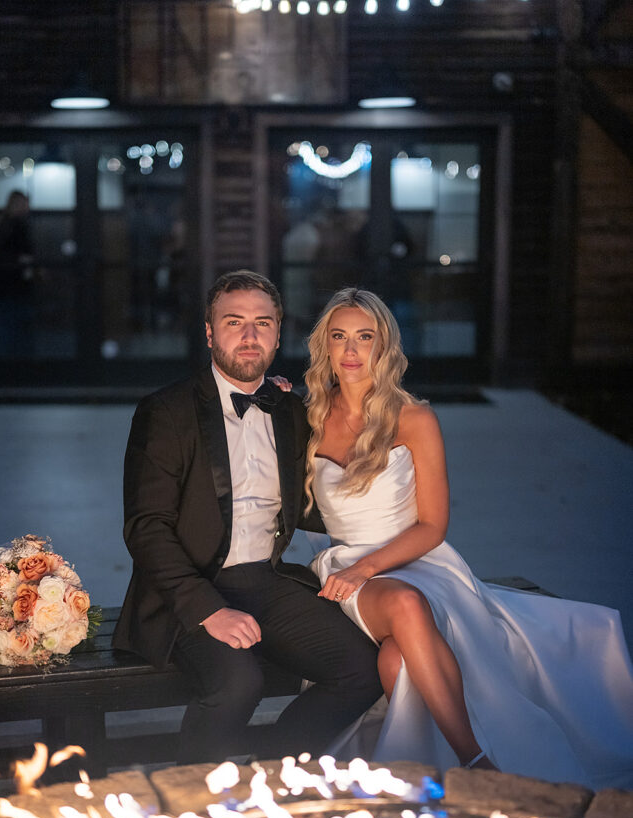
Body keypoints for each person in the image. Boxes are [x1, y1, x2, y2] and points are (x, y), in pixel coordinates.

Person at [303, 286, 633, 788]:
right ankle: (477, 761)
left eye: (364, 337)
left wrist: (368, 568)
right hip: (346, 565)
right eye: (339, 337)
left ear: (384, 345)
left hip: (418, 562)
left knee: (398, 658)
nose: (350, 351)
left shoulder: (414, 418)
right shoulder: (307, 416)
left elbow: (433, 525)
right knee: (408, 609)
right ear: (324, 346)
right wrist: (355, 568)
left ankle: (425, 773)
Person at [113, 270, 383, 765]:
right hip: (187, 589)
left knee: (363, 670)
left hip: (266, 580)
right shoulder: (165, 412)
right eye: (234, 322)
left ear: (279, 334)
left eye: (263, 323)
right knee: (240, 683)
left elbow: (319, 500)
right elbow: (146, 528)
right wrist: (208, 609)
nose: (250, 335)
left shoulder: (290, 410)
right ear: (210, 333)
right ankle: (192, 797)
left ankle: (272, 774)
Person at [0, 190, 35, 359]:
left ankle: (15, 363)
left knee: (15, 328)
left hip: (12, 285)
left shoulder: (10, 224)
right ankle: (13, 363)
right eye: (23, 203)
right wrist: (21, 260)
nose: (27, 207)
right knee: (10, 328)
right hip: (9, 285)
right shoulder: (10, 225)